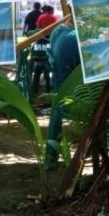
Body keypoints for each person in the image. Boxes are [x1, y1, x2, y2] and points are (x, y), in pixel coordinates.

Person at [45, 24, 81, 168]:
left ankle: (50, 159)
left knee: (56, 115)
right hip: (76, 95)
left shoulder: (57, 31)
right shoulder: (76, 39)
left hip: (59, 90)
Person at [31, 5, 58, 97]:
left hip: (39, 44)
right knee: (48, 66)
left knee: (37, 69)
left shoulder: (41, 17)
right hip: (49, 43)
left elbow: (37, 29)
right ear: (51, 11)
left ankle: (35, 90)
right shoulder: (54, 18)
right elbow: (56, 30)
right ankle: (48, 89)